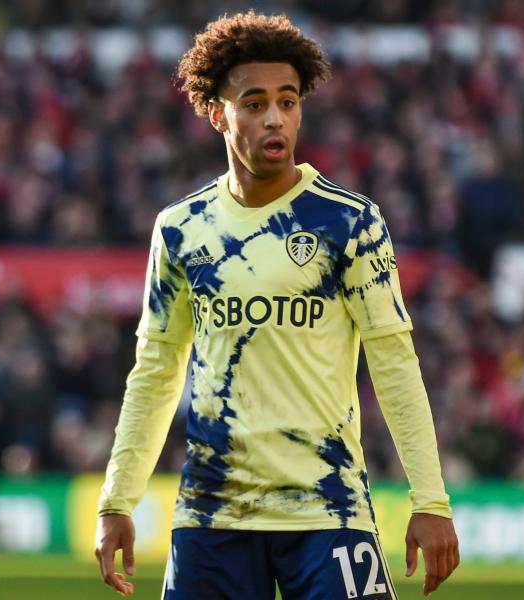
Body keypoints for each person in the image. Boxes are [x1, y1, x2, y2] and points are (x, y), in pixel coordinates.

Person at [94, 11, 459, 599]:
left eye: (288, 102)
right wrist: (117, 500)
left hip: (328, 511)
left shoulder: (349, 222)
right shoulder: (181, 230)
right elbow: (157, 371)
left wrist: (430, 499)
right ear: (217, 113)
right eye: (255, 103)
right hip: (212, 517)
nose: (275, 119)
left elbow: (393, 362)